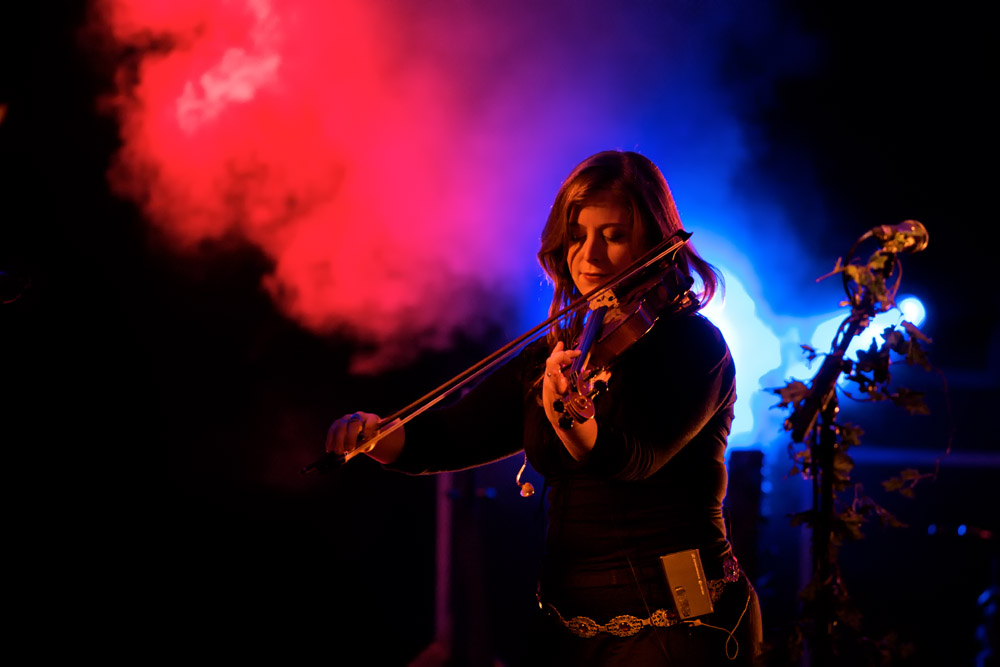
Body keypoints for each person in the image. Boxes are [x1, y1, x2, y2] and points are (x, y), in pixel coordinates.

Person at [326, 150, 763, 665]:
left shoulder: (694, 346)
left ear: (653, 240)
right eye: (578, 236)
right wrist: (375, 436)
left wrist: (572, 422)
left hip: (681, 629)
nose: (590, 257)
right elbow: (454, 436)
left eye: (614, 236)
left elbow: (634, 459)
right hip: (566, 632)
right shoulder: (562, 351)